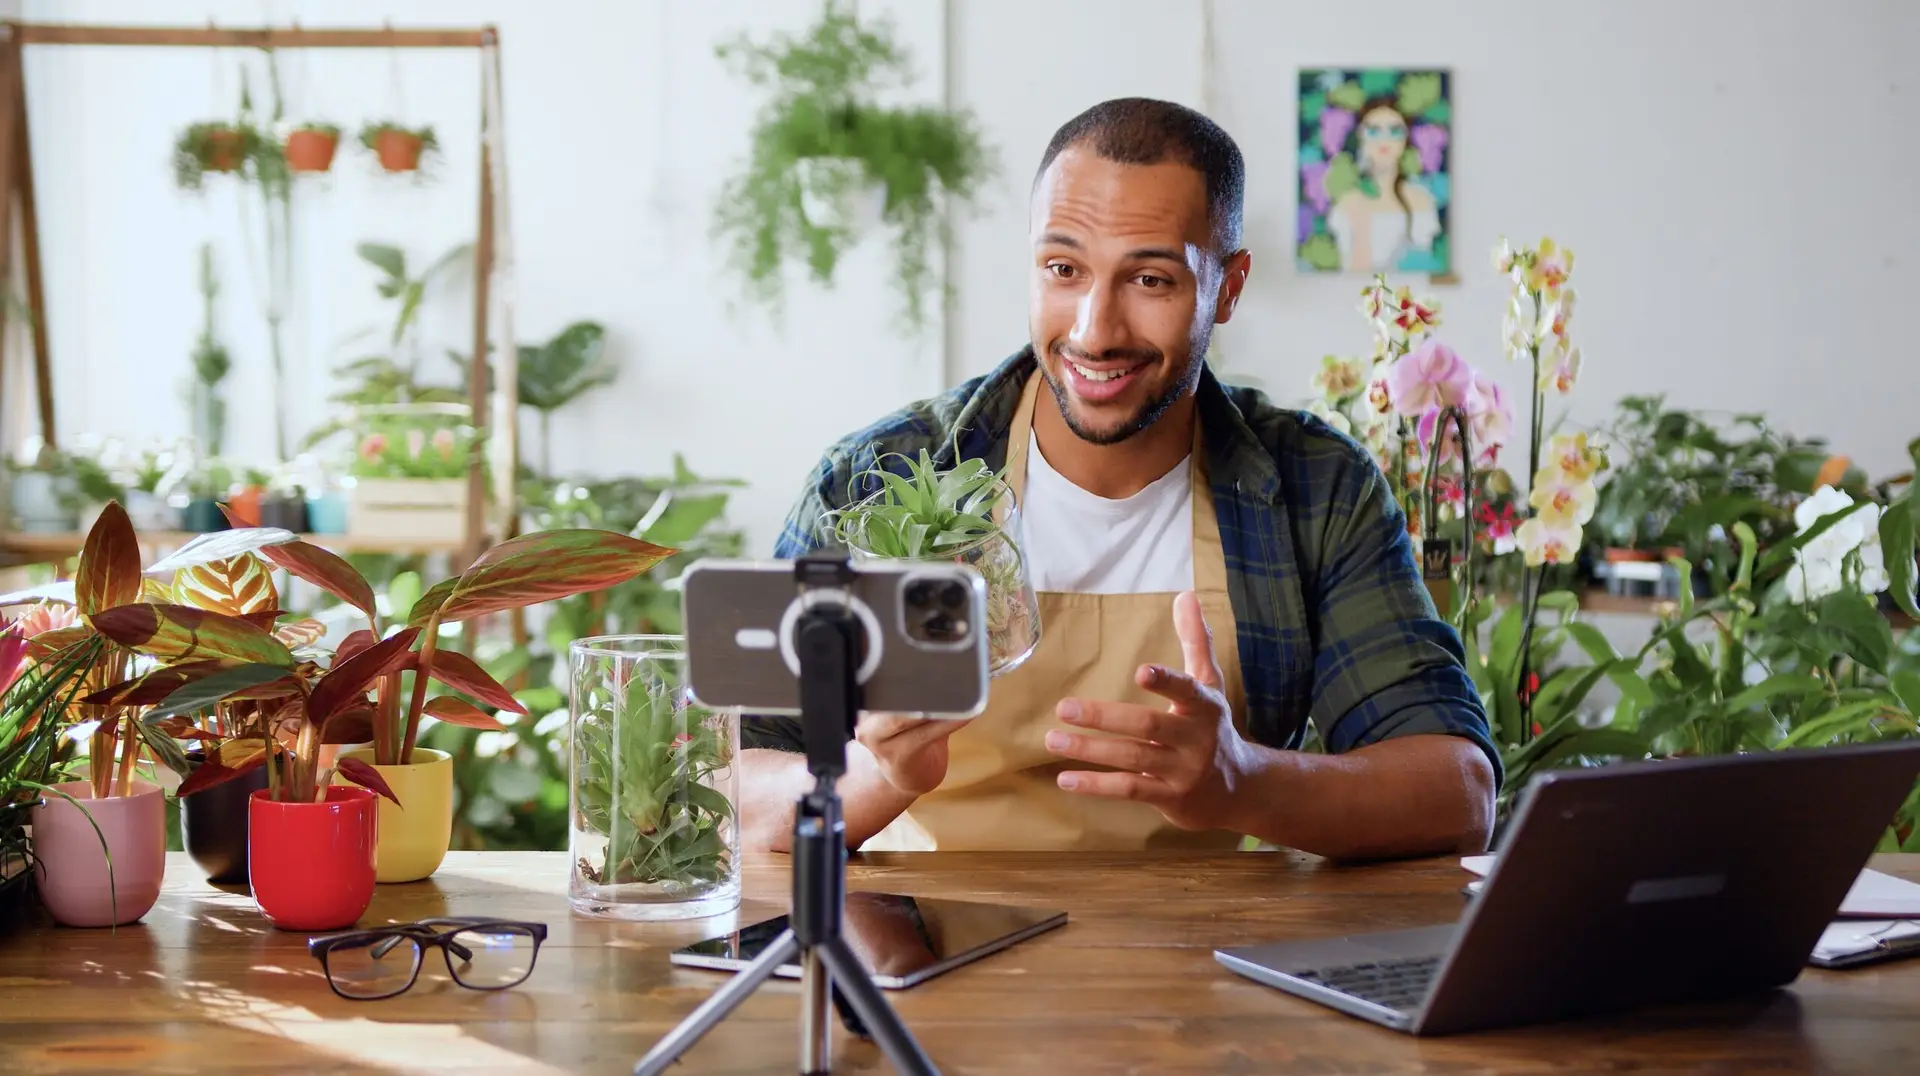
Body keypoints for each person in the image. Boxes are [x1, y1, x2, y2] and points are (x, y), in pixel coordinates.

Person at [741, 97, 1497, 859]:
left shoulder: (1316, 486)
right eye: (1063, 270)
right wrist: (877, 774)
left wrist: (1243, 782)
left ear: (1229, 287)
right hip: (920, 929)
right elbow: (737, 788)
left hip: (1200, 931)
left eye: (1151, 280)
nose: (1094, 331)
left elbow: (1457, 793)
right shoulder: (874, 481)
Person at [1329, 98, 1441, 271]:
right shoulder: (1347, 203)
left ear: (1406, 139)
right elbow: (1349, 272)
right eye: (1374, 131)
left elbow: (1424, 268)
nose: (1384, 140)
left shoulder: (1421, 200)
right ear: (1360, 137)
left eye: (1394, 131)